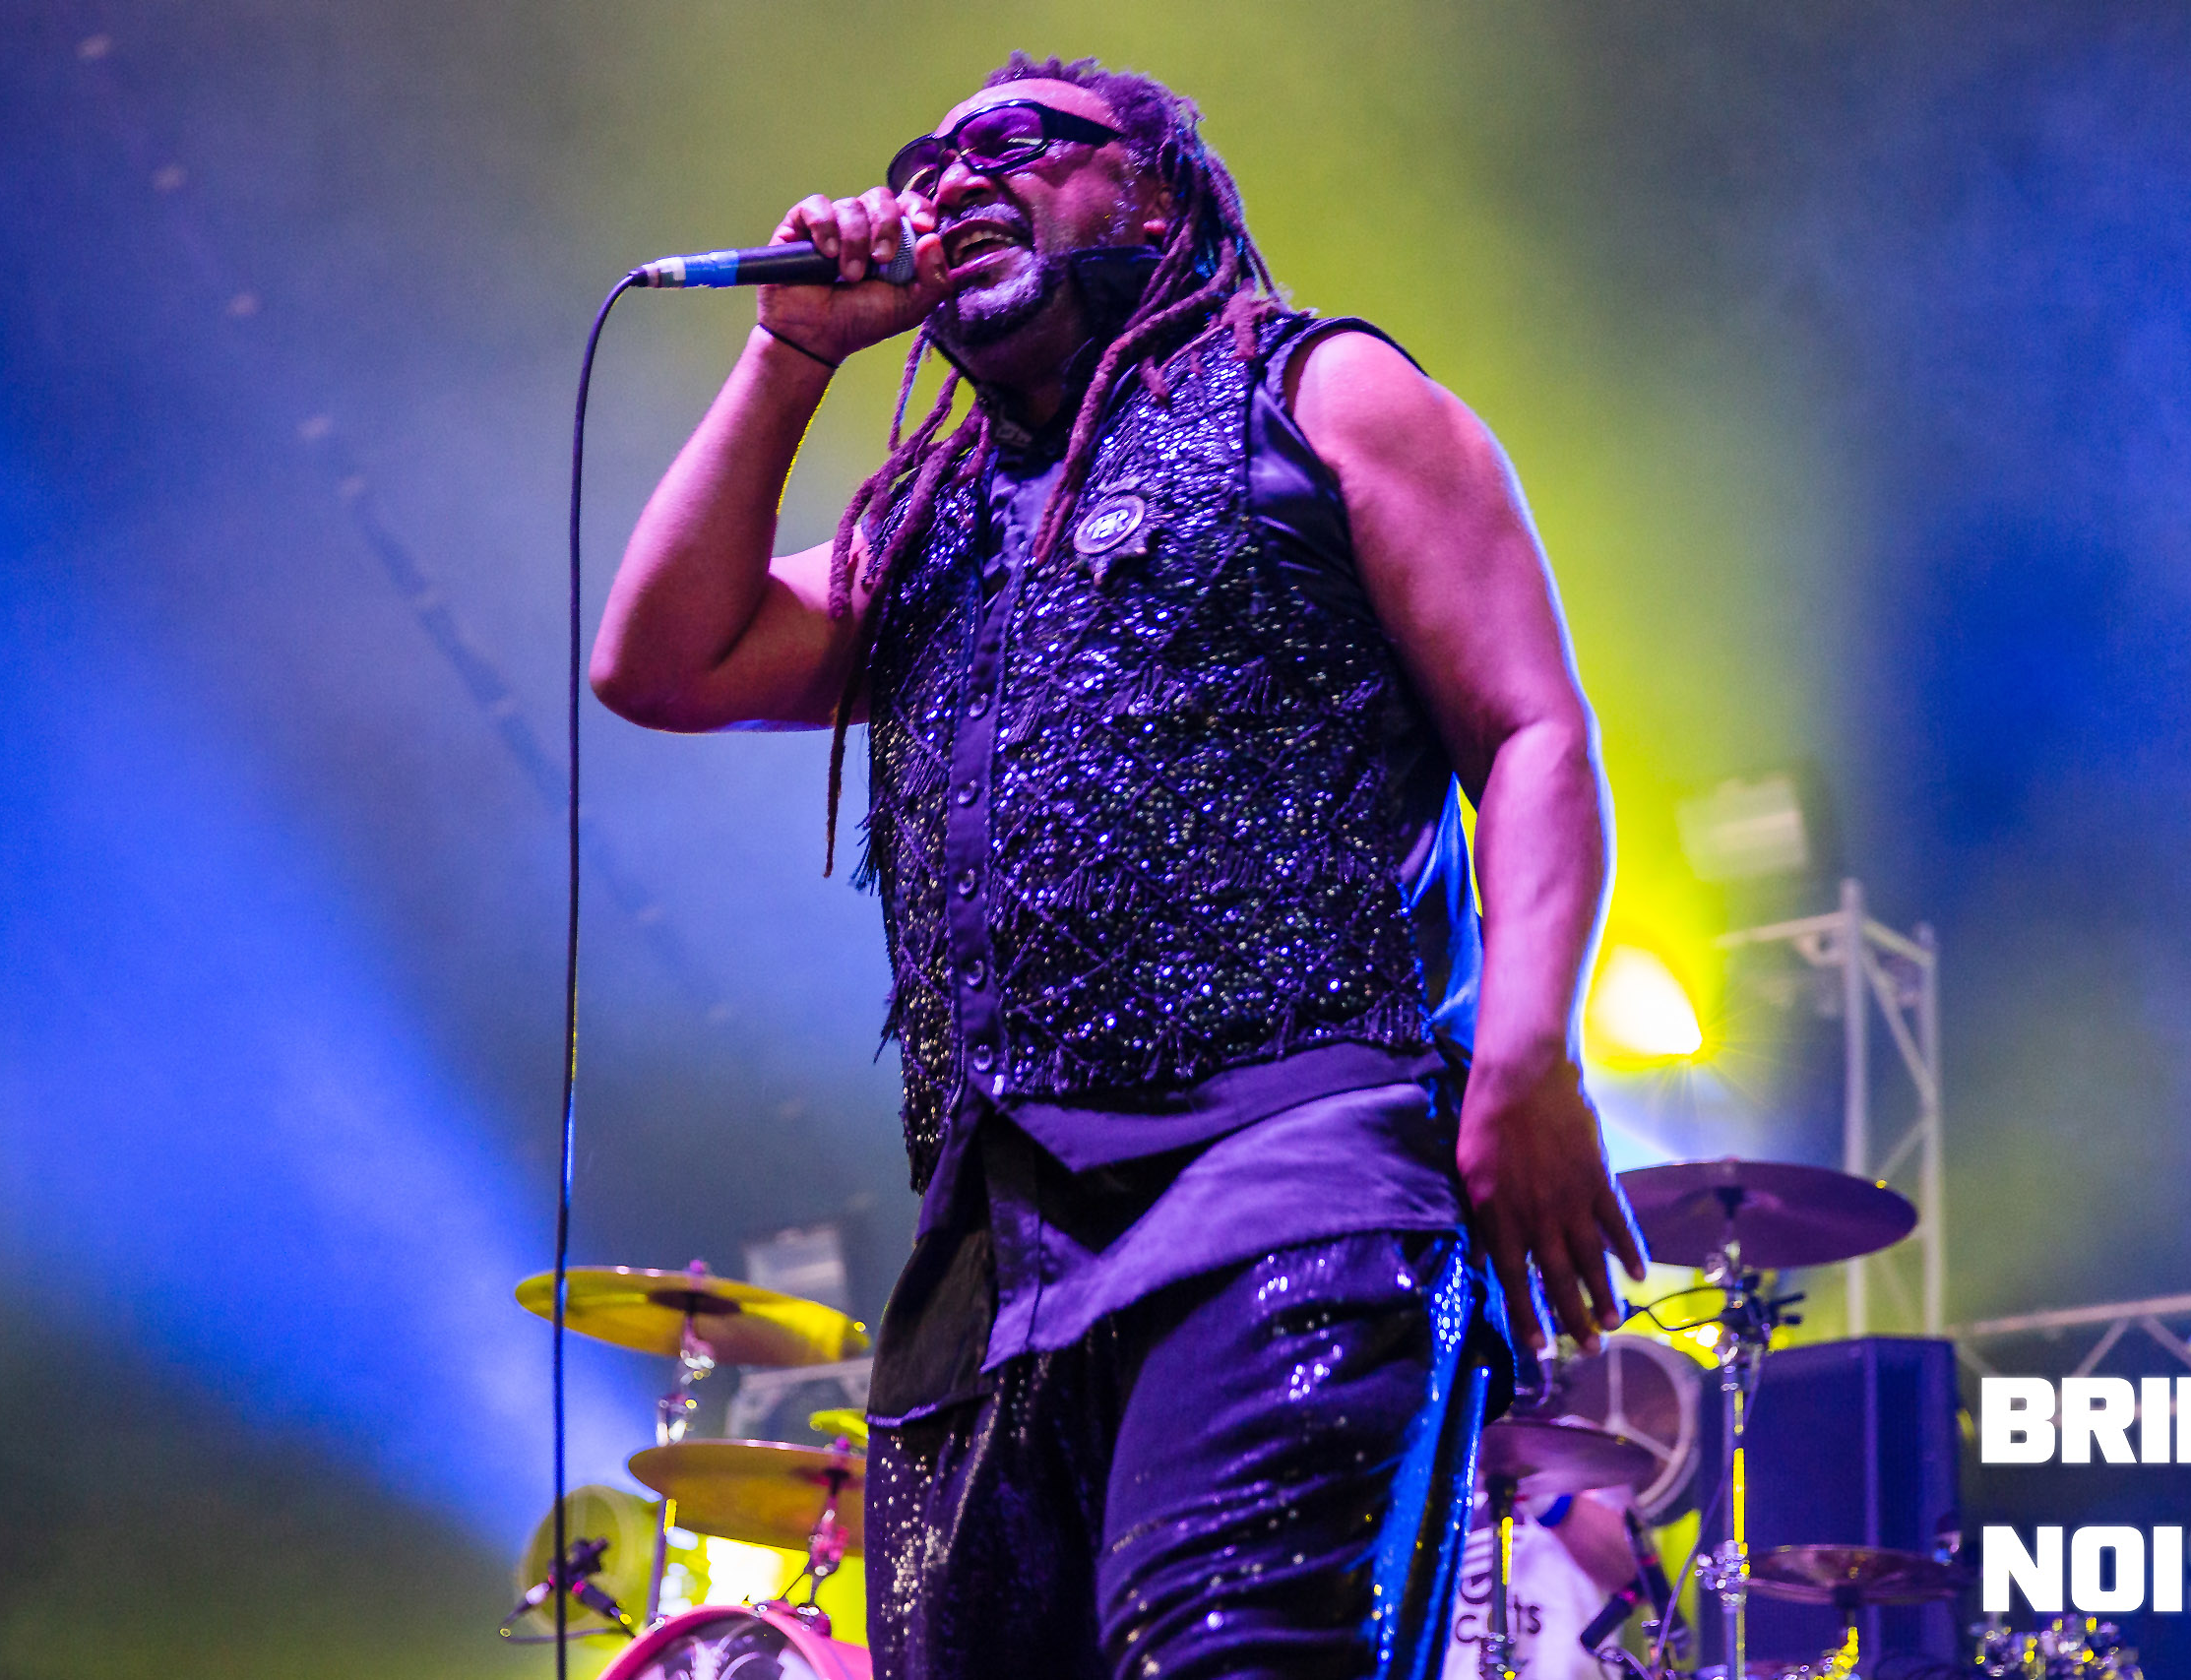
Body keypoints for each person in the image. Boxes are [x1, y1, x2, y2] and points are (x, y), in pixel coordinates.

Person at [591, 50, 1646, 1680]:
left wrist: (1525, 1049)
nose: (951, 178)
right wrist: (788, 354)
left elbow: (1530, 728)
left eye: (1017, 142)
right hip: (994, 1265)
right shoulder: (930, 521)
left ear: (1152, 194)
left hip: (1288, 1178)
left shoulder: (1319, 394)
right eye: (925, 162)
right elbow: (656, 662)